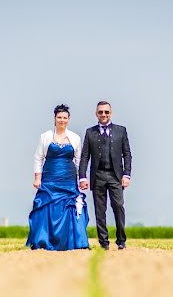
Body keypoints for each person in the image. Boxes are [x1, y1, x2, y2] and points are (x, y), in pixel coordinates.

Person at [26, 104, 90, 250]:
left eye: (65, 118)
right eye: (59, 117)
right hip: (49, 177)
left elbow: (79, 160)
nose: (62, 120)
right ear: (54, 118)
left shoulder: (75, 138)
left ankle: (74, 242)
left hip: (68, 178)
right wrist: (37, 178)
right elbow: (38, 158)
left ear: (69, 119)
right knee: (46, 206)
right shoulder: (45, 136)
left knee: (70, 207)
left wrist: (82, 179)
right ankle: (43, 241)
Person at [79, 101, 132, 250]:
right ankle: (104, 242)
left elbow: (127, 154)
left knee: (118, 206)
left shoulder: (121, 131)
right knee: (99, 210)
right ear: (96, 114)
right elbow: (84, 156)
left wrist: (127, 174)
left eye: (106, 112)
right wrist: (82, 177)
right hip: (98, 175)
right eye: (101, 112)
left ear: (111, 113)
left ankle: (121, 240)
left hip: (116, 176)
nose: (104, 115)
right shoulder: (90, 132)